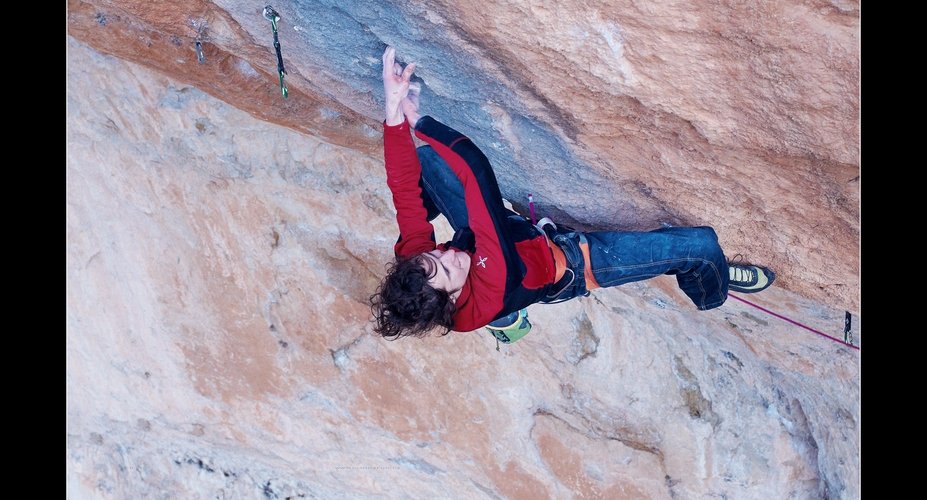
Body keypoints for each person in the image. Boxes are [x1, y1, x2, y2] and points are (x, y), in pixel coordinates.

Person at [370, 46, 774, 341]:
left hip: (504, 240)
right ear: (453, 296)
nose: (443, 252)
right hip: (569, 266)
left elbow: (403, 189)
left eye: (432, 253)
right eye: (444, 267)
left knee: (425, 166)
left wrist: (392, 109)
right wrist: (419, 121)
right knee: (701, 247)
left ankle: (518, 263)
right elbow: (476, 171)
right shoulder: (488, 289)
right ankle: (711, 291)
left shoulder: (420, 271)